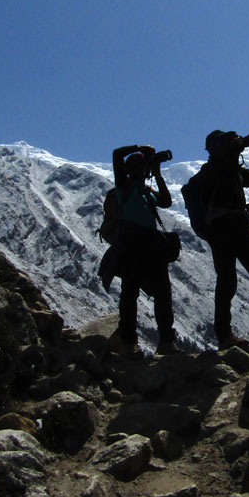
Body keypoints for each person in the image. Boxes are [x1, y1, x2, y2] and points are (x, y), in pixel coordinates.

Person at [197, 129, 249, 350]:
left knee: (235, 280)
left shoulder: (228, 169)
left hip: (232, 230)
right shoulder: (213, 171)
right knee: (237, 280)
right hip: (225, 230)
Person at [109, 144, 177, 357]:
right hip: (133, 245)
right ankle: (133, 343)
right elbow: (117, 155)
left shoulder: (147, 192)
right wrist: (139, 148)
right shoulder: (123, 185)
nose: (143, 169)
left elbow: (166, 201)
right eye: (141, 165)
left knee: (157, 293)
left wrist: (157, 175)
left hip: (147, 245)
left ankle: (161, 342)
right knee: (133, 293)